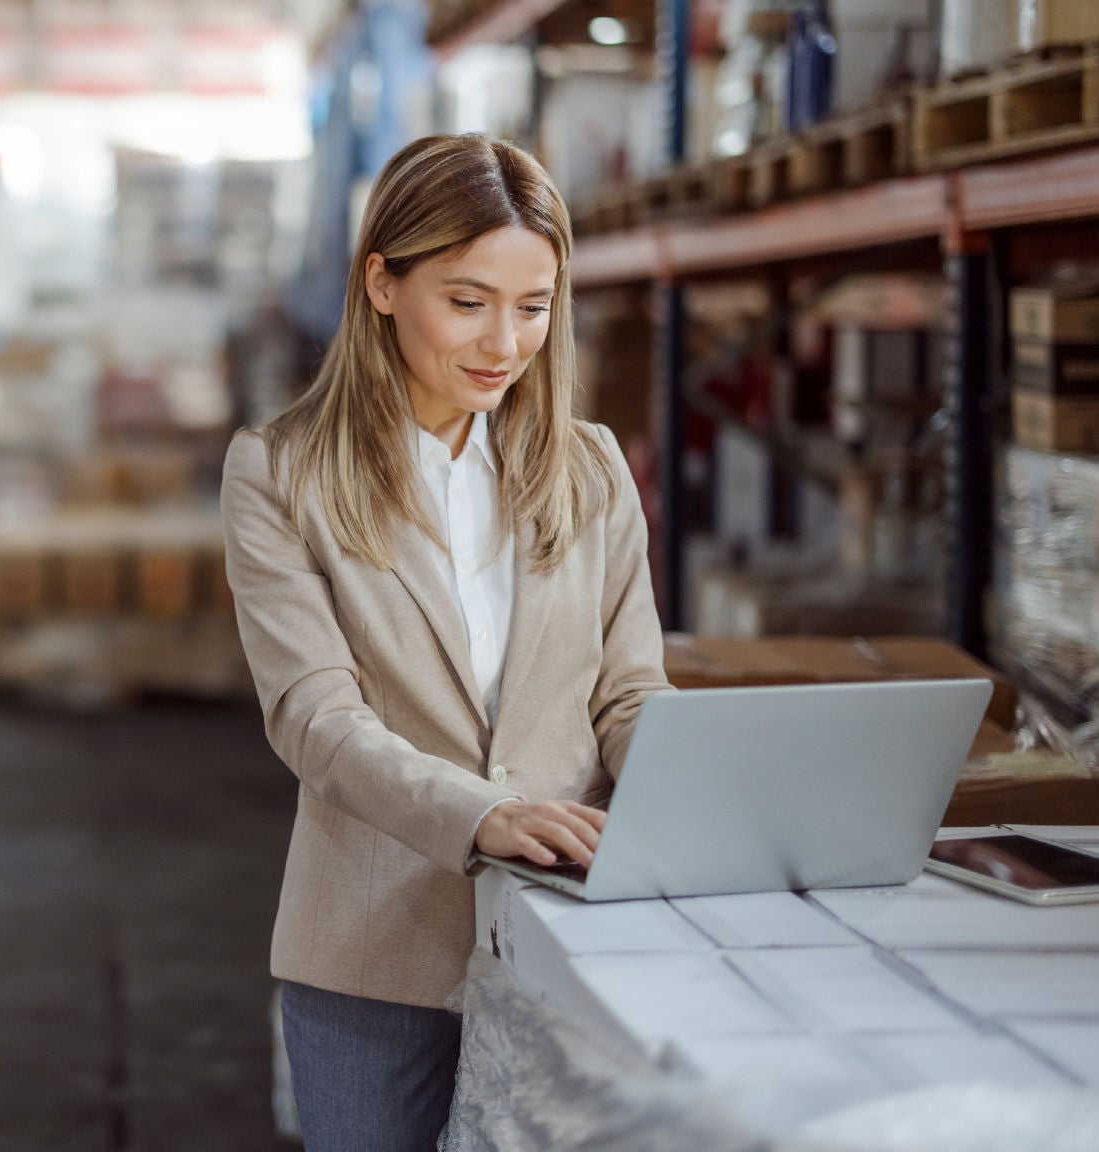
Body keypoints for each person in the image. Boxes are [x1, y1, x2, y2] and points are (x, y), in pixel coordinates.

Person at [221, 134, 670, 1150]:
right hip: (373, 954)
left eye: (532, 305)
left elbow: (629, 692)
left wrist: (689, 799)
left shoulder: (589, 468)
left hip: (568, 935)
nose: (502, 344)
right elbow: (314, 719)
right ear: (380, 283)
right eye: (466, 302)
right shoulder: (280, 473)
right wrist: (484, 815)